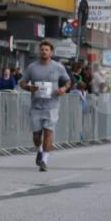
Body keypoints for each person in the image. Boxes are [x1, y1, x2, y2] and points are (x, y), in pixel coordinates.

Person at [19, 40, 71, 172]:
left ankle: (44, 161)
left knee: (48, 132)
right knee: (37, 136)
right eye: (42, 49)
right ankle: (39, 150)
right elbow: (22, 83)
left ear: (51, 52)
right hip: (36, 106)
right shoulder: (32, 67)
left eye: (47, 50)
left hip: (52, 105)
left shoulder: (58, 67)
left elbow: (68, 81)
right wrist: (29, 88)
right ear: (39, 51)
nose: (44, 51)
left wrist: (64, 89)